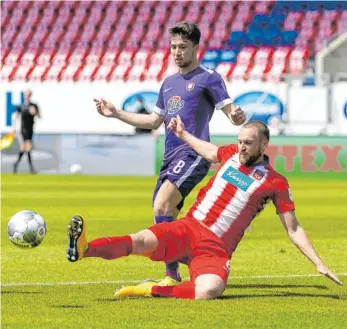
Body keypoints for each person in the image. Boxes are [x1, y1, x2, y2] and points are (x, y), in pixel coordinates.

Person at [66, 120, 342, 300]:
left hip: (215, 248)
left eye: (248, 143)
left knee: (209, 290)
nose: (242, 147)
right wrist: (184, 134)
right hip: (187, 228)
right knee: (139, 240)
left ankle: (151, 289)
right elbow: (210, 151)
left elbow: (293, 228)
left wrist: (318, 263)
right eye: (240, 141)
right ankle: (84, 249)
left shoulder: (275, 182)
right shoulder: (231, 154)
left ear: (264, 144)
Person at [93, 21, 246, 285]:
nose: (177, 52)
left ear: (196, 48)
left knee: (162, 203)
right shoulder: (168, 83)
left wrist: (237, 117)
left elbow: (231, 112)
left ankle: (171, 274)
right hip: (170, 157)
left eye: (183, 47)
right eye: (173, 46)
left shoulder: (209, 77)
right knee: (166, 215)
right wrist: (116, 113)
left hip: (194, 152)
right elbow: (153, 122)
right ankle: (184, 266)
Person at [12, 89, 41, 174]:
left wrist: (35, 113)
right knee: (28, 146)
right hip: (23, 129)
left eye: (28, 95)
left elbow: (39, 116)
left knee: (23, 148)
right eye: (26, 95)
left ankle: (16, 164)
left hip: (30, 128)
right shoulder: (21, 106)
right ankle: (31, 168)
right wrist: (13, 128)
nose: (27, 96)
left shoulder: (34, 106)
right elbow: (16, 116)